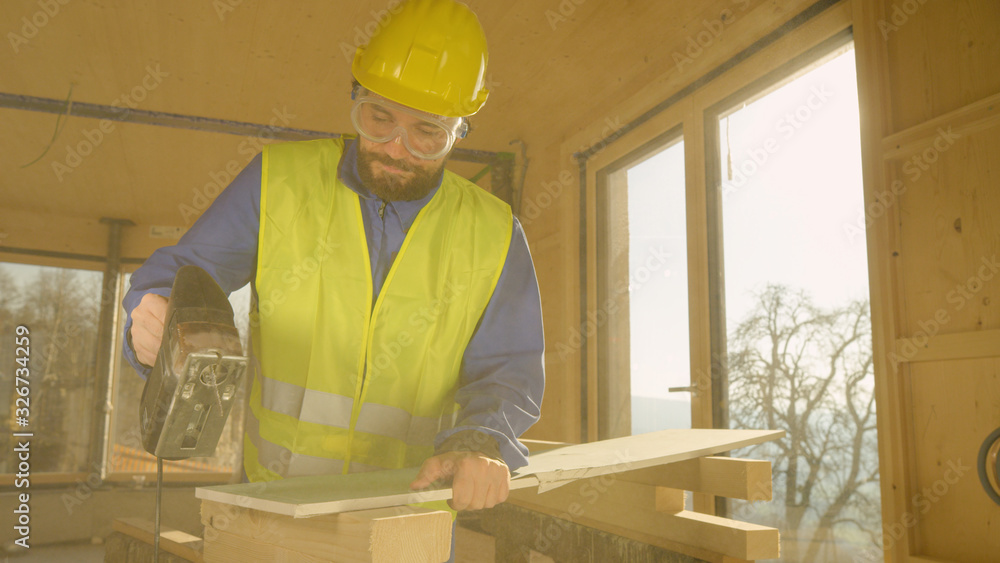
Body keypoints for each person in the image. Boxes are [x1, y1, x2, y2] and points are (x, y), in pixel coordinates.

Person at [122, 0, 543, 525]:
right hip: (274, 505)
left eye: (427, 132)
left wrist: (481, 440)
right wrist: (154, 315)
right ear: (355, 98)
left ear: (460, 131)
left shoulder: (495, 231)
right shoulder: (278, 180)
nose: (396, 147)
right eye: (380, 118)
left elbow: (510, 369)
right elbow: (183, 273)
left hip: (407, 513)